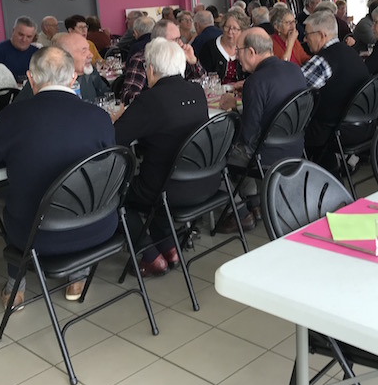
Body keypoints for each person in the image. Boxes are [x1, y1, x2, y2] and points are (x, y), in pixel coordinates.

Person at [0, 46, 116, 307]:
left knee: (17, 201)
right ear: (74, 78)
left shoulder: (13, 118)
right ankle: (78, 275)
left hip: (39, 235)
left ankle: (16, 286)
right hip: (100, 225)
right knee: (75, 192)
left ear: (30, 78)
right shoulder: (100, 118)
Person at [113, 38, 209, 277]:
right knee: (158, 189)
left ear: (151, 70)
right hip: (203, 181)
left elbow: (116, 139)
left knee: (114, 196)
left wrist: (118, 118)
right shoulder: (197, 91)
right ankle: (169, 247)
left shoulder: (150, 100)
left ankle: (151, 255)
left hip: (166, 188)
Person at [219, 28, 308, 226]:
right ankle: (255, 202)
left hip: (266, 155)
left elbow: (248, 135)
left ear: (251, 52)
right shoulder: (294, 69)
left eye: (238, 51)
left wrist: (234, 113)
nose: (236, 56)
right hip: (296, 147)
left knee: (216, 159)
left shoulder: (256, 82)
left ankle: (242, 213)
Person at [301, 11, 370, 160]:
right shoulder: (351, 53)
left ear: (321, 35)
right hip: (363, 125)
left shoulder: (323, 61)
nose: (305, 39)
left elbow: (294, 90)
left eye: (307, 34)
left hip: (332, 130)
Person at [121, 20, 205, 105]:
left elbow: (204, 84)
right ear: (159, 41)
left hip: (179, 109)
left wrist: (193, 61)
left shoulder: (178, 56)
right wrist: (160, 100)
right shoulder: (143, 59)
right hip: (154, 112)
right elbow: (128, 96)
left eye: (180, 38)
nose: (181, 43)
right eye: (176, 39)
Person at [15, 32, 111, 104]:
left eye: (88, 49)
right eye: (84, 51)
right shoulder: (44, 79)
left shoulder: (90, 72)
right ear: (65, 57)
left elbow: (107, 96)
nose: (90, 55)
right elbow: (16, 111)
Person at [198, 8, 249, 84]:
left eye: (234, 29)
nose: (230, 32)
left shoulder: (246, 48)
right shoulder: (209, 48)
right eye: (227, 27)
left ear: (242, 31)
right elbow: (202, 75)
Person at [0, 16, 38, 80]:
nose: (24, 39)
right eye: (21, 35)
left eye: (29, 37)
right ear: (13, 31)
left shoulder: (37, 53)